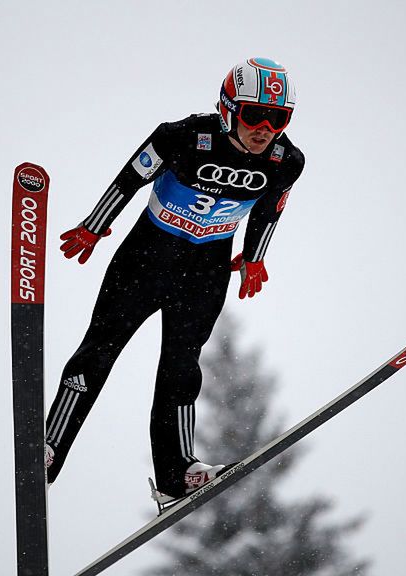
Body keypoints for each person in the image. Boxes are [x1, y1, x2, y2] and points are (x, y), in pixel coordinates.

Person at [45, 57, 305, 504]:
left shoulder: (287, 161)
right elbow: (130, 178)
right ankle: (49, 446)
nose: (264, 128)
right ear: (227, 109)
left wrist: (255, 258)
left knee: (182, 368)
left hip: (204, 272)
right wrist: (94, 225)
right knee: (100, 348)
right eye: (253, 115)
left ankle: (177, 472)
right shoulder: (181, 136)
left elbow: (269, 210)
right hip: (146, 259)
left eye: (277, 118)